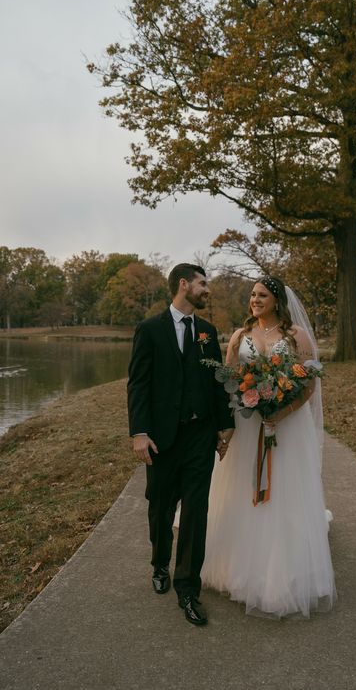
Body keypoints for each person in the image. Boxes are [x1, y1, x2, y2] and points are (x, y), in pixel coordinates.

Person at [202, 276, 336, 618]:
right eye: (252, 294)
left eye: (262, 295)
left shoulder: (296, 337)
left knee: (284, 496)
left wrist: (279, 411)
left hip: (286, 427)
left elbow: (307, 386)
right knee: (241, 493)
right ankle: (238, 569)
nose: (255, 300)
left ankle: (281, 576)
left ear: (277, 300)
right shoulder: (239, 336)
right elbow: (230, 381)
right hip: (248, 428)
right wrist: (232, 425)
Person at [127, 263, 234, 626]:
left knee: (194, 512)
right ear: (184, 284)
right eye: (204, 283)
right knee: (159, 506)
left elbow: (217, 380)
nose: (208, 289)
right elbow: (138, 384)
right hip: (161, 438)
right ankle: (159, 562)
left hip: (200, 438)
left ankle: (187, 588)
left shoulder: (207, 331)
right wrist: (139, 432)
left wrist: (225, 425)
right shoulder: (150, 330)